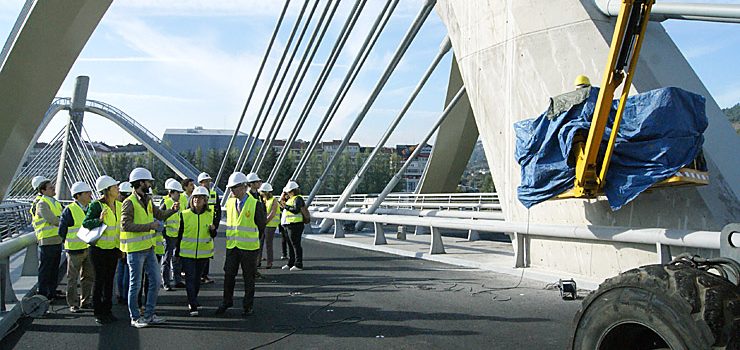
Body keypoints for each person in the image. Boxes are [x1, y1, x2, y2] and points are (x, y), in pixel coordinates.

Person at [121, 167, 178, 328]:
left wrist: (172, 211)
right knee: (136, 284)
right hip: (135, 250)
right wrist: (149, 226)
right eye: (148, 182)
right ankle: (135, 317)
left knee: (155, 280)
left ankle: (149, 314)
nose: (150, 184)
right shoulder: (129, 202)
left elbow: (159, 215)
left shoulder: (147, 200)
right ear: (140, 183)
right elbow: (125, 225)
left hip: (148, 248)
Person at [215, 172, 265, 318]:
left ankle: (248, 306)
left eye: (234, 188)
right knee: (228, 275)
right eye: (230, 188)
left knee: (248, 277)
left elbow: (261, 226)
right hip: (233, 246)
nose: (232, 191)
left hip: (249, 248)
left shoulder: (255, 204)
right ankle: (226, 301)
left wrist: (251, 239)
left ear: (244, 187)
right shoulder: (230, 203)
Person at [82, 175, 123, 324]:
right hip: (98, 250)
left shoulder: (119, 205)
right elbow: (86, 223)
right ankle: (98, 312)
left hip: (112, 249)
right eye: (115, 186)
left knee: (109, 281)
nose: (118, 188)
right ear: (107, 190)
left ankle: (108, 310)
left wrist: (121, 247)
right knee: (99, 280)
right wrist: (98, 220)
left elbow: (119, 229)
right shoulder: (96, 205)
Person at [177, 186, 216, 316]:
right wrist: (177, 252)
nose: (196, 200)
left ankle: (193, 298)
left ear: (205, 201)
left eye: (200, 198)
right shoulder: (184, 215)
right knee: (190, 278)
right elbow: (179, 234)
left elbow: (213, 235)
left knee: (197, 279)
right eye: (195, 197)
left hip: (203, 252)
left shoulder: (209, 215)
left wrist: (212, 231)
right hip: (187, 253)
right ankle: (192, 304)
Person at [58, 181, 95, 313]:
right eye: (86, 193)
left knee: (88, 277)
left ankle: (86, 301)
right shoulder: (69, 210)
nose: (90, 195)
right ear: (78, 195)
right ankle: (73, 304)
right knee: (72, 278)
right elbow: (61, 231)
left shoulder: (92, 207)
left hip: (89, 248)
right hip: (74, 250)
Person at [30, 175, 64, 301]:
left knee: (54, 267)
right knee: (46, 269)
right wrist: (64, 222)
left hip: (57, 239)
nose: (54, 189)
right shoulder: (42, 203)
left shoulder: (54, 202)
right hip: (47, 239)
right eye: (50, 188)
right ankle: (43, 294)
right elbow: (53, 219)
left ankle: (52, 291)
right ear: (42, 190)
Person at [161, 179, 186, 291]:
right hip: (168, 236)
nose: (179, 195)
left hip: (177, 235)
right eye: (177, 193)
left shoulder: (179, 204)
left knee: (177, 258)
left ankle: (177, 280)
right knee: (166, 259)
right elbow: (160, 219)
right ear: (171, 192)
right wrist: (164, 234)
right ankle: (166, 282)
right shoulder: (166, 204)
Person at [196, 172, 221, 285]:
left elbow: (218, 211)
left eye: (209, 181)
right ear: (200, 183)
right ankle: (196, 273)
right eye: (206, 181)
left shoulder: (214, 195)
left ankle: (204, 275)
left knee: (207, 251)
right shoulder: (196, 195)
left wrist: (215, 224)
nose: (208, 183)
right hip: (197, 226)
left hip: (210, 227)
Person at [281, 181, 309, 271]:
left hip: (295, 225)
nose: (287, 194)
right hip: (289, 224)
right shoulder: (290, 199)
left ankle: (298, 263)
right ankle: (291, 262)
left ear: (292, 191)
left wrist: (286, 206)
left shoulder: (298, 199)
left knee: (295, 245)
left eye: (288, 192)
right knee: (290, 245)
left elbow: (296, 210)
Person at [115, 181, 133, 304]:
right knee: (127, 270)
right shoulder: (129, 206)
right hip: (127, 241)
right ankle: (126, 296)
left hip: (117, 242)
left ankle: (120, 294)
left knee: (120, 269)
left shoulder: (115, 206)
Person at [244, 173, 266, 275]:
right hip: (250, 227)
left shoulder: (259, 195)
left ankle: (254, 268)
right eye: (257, 182)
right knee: (250, 251)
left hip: (258, 226)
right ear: (251, 184)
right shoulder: (247, 196)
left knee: (257, 249)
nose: (260, 183)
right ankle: (251, 270)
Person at [258, 183, 280, 269]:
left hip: (271, 225)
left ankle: (269, 262)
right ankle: (257, 261)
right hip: (264, 224)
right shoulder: (263, 200)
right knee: (260, 243)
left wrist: (265, 221)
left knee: (268, 244)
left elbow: (272, 213)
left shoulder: (274, 200)